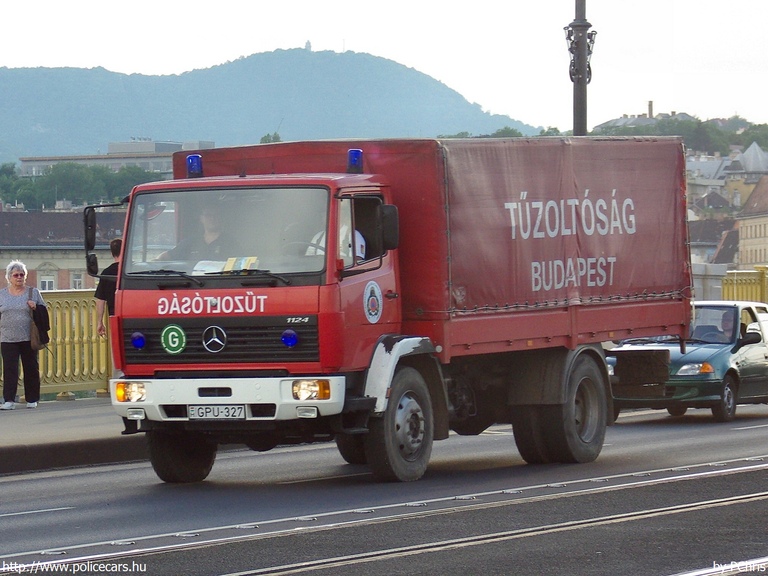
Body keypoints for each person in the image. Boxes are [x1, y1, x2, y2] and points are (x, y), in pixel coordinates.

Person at [0, 260, 46, 410]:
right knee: (10, 369)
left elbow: (44, 314)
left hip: (28, 337)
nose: (19, 277)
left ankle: (32, 399)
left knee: (31, 368)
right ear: (9, 277)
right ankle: (9, 400)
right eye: (16, 275)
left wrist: (35, 307)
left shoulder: (33, 293)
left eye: (22, 275)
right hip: (7, 337)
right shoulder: (2, 295)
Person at [158, 205, 231, 261]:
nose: (212, 218)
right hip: (191, 280)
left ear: (221, 218)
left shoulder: (230, 243)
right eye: (208, 215)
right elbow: (164, 257)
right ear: (201, 218)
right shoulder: (190, 242)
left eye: (216, 215)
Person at [95, 238, 122, 337]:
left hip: (114, 315)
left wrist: (100, 322)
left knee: (116, 345)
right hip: (134, 314)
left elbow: (100, 300)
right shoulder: (133, 270)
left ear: (112, 253)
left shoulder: (106, 273)